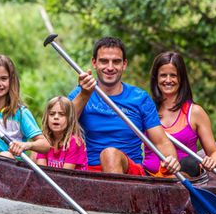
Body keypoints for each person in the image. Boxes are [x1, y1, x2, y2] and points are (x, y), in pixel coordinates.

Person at [69, 37, 180, 175]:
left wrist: (172, 159)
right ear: (94, 63)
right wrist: (84, 95)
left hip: (131, 173)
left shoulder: (140, 98)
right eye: (104, 61)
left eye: (116, 62)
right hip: (89, 172)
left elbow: (161, 142)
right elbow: (62, 128)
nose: (110, 67)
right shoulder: (80, 93)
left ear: (124, 64)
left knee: (110, 154)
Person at [143, 51, 216, 177]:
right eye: (163, 75)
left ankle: (172, 184)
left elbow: (214, 153)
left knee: (189, 163)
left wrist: (212, 161)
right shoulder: (146, 110)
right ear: (156, 78)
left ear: (181, 79)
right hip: (151, 176)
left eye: (173, 75)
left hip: (184, 176)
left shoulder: (195, 112)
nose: (168, 80)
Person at [34, 96, 88, 170]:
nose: (56, 117)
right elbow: (41, 171)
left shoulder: (74, 142)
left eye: (62, 114)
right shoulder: (45, 141)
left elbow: (65, 175)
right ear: (47, 118)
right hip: (49, 179)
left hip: (70, 180)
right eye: (52, 114)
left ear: (70, 119)